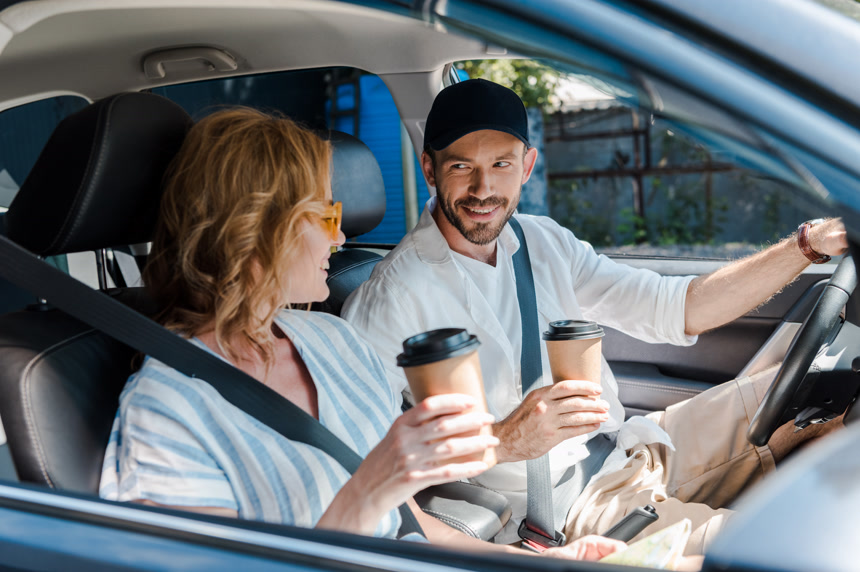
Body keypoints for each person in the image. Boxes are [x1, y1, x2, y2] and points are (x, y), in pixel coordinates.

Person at [341, 79, 849, 554]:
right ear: (429, 170)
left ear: (528, 163)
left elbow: (678, 308)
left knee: (817, 395)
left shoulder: (542, 241)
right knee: (797, 544)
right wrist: (502, 441)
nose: (482, 190)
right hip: (570, 507)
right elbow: (370, 475)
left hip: (632, 445)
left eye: (501, 165)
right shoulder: (388, 301)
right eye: (460, 168)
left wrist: (809, 246)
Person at [97, 107, 624, 562]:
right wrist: (372, 486)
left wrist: (546, 563)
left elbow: (412, 527)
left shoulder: (333, 341)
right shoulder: (166, 410)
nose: (342, 235)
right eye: (325, 214)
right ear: (256, 225)